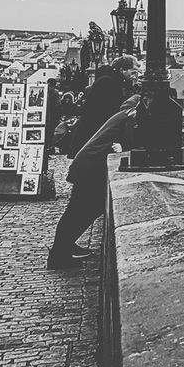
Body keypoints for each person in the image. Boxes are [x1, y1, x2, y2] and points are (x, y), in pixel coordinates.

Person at [48, 96, 139, 269]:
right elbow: (130, 143)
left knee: (81, 211)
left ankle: (64, 246)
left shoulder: (124, 114)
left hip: (88, 165)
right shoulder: (131, 116)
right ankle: (58, 255)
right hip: (90, 168)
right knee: (79, 212)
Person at [68, 64, 124, 157]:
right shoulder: (107, 82)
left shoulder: (100, 82)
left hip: (89, 129)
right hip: (96, 129)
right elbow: (106, 110)